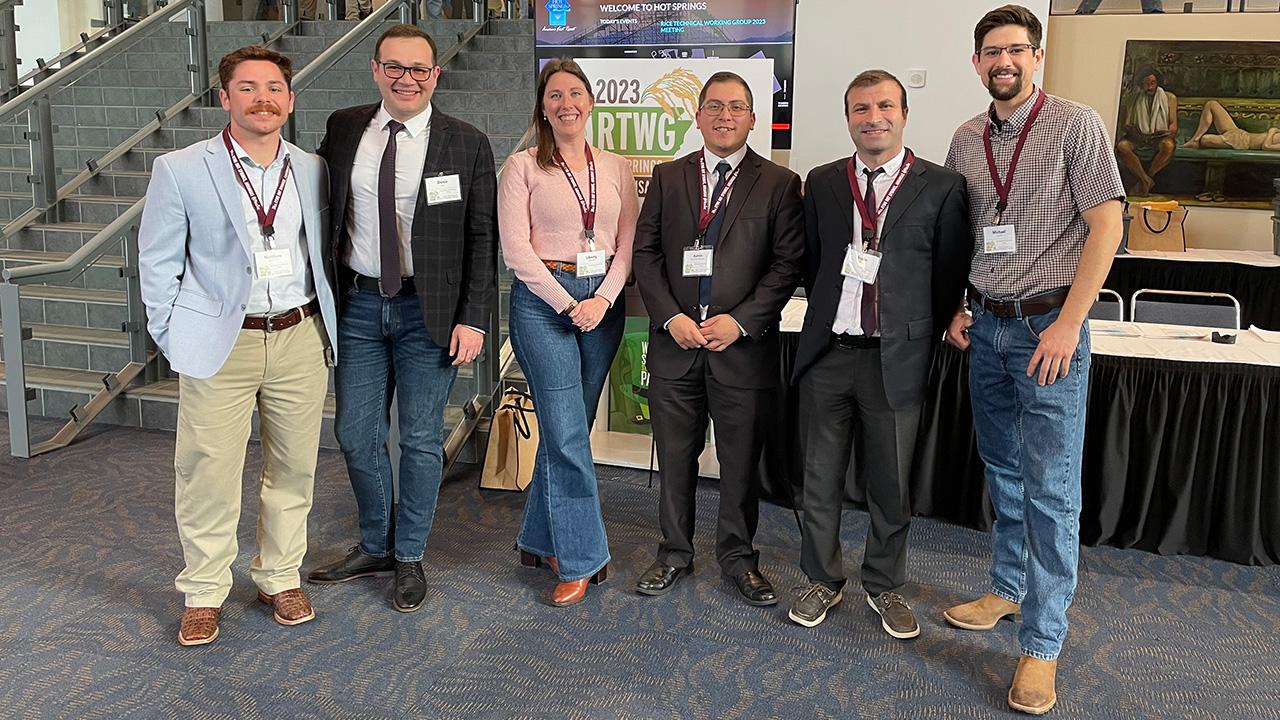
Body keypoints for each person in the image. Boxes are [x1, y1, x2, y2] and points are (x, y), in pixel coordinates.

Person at [942, 6, 1125, 715]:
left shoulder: (1076, 124)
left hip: (1052, 328)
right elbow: (967, 232)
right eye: (991, 52)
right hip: (987, 329)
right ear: (977, 62)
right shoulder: (965, 138)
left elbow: (1107, 222)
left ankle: (1042, 646)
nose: (1003, 61)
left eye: (1016, 49)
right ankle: (1008, 590)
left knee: (1051, 491)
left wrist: (1069, 324)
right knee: (1004, 470)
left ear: (1037, 56)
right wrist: (959, 302)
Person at [137, 46, 338, 646]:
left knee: (295, 467)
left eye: (274, 87)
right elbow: (157, 261)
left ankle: (279, 575)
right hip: (222, 341)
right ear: (225, 98)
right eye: (247, 88)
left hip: (299, 334)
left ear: (290, 99)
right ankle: (204, 589)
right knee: (207, 470)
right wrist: (172, 332)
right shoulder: (182, 168)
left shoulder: (311, 169)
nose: (263, 98)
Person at [306, 24, 497, 613]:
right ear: (375, 69)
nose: (406, 79)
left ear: (435, 75)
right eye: (395, 67)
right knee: (355, 434)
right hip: (359, 303)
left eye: (419, 69)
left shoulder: (465, 142)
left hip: (430, 313)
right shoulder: (342, 128)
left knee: (418, 439)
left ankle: (409, 553)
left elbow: (482, 238)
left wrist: (476, 319)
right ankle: (374, 543)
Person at [788, 70, 971, 638]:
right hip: (828, 353)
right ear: (848, 118)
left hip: (898, 357)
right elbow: (814, 261)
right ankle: (822, 578)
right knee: (818, 480)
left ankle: (884, 585)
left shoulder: (941, 186)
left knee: (890, 483)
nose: (873, 118)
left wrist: (933, 323)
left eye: (884, 106)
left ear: (904, 114)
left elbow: (947, 271)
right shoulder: (821, 182)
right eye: (861, 109)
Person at [630, 71, 804, 608]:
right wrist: (668, 317)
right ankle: (673, 553)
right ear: (698, 115)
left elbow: (786, 264)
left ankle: (738, 557)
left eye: (735, 107)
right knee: (676, 458)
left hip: (741, 349)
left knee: (738, 462)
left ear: (753, 118)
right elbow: (646, 254)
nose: (724, 115)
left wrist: (742, 321)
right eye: (713, 106)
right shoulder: (667, 176)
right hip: (675, 345)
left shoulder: (778, 182)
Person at [498, 58, 638, 607]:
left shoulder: (617, 166)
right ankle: (583, 557)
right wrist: (567, 303)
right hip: (543, 302)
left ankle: (537, 539)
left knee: (568, 429)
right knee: (568, 435)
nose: (566, 104)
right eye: (554, 95)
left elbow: (626, 242)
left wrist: (602, 299)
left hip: (603, 302)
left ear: (590, 101)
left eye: (575, 93)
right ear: (543, 106)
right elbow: (516, 250)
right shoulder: (523, 167)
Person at [1115, 68, 1177, 195]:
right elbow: (1125, 125)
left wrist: (1166, 132)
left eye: (1152, 83)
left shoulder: (1169, 98)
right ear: (1141, 85)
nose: (1149, 87)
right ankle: (1146, 180)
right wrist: (1134, 132)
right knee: (1122, 146)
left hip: (1158, 138)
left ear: (1157, 82)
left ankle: (1146, 178)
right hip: (1138, 138)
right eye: (1146, 84)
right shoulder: (1133, 98)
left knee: (1168, 145)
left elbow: (1173, 125)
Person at [1182, 99, 1280, 152]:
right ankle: (1194, 140)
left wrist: (1271, 132)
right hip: (1241, 134)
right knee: (1211, 104)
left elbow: (1266, 147)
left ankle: (1196, 140)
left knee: (1204, 139)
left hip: (1242, 144)